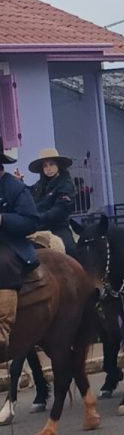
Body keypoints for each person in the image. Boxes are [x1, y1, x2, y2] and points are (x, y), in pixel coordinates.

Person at [0, 140, 40, 352]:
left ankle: (2, 330)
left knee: (3, 264)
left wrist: (3, 220)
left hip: (10, 243)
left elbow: (31, 220)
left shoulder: (14, 187)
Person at [20, 147, 77, 254]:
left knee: (70, 250)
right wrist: (20, 183)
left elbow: (60, 210)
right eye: (45, 165)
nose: (48, 168)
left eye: (51, 164)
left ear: (58, 165)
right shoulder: (40, 184)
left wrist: (38, 218)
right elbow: (29, 193)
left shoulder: (66, 185)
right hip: (37, 227)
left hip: (58, 227)